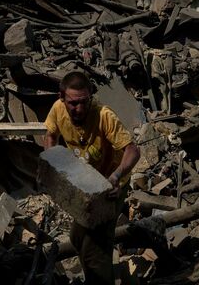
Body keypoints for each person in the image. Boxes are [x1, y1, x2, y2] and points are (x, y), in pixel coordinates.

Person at [43, 71, 140, 284]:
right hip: (85, 186)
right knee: (77, 238)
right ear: (62, 97)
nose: (79, 108)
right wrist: (53, 166)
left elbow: (133, 151)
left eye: (84, 102)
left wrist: (115, 177)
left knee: (95, 250)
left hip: (110, 189)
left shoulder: (104, 116)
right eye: (73, 103)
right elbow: (50, 135)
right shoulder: (58, 109)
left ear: (90, 98)